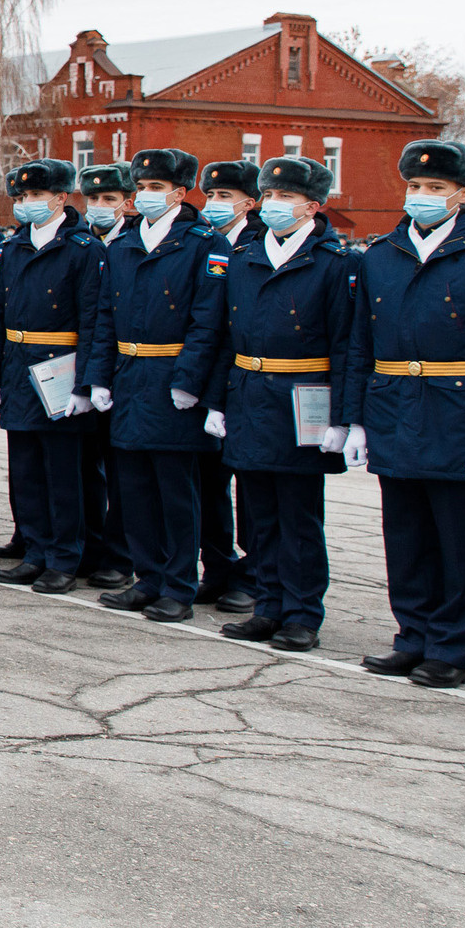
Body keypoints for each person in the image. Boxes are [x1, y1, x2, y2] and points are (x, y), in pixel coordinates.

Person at [349, 140, 465, 688]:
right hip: (394, 407)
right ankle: (414, 635)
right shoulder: (381, 253)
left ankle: (452, 646)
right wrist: (354, 419)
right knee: (405, 534)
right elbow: (361, 343)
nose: (421, 197)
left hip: (460, 411)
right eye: (414, 187)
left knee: (461, 538)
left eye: (435, 188)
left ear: (463, 194)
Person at [203, 155, 360, 653]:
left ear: (312, 206)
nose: (274, 205)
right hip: (250, 394)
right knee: (259, 513)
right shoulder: (247, 255)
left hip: (303, 400)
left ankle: (302, 612)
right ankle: (267, 604)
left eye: (285, 197)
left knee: (298, 516)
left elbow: (347, 346)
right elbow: (225, 336)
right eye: (268, 195)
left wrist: (342, 417)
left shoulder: (335, 263)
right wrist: (216, 401)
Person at [84, 148, 226, 622]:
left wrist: (189, 381)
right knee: (135, 486)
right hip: (129, 377)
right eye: (140, 188)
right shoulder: (122, 246)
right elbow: (105, 317)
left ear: (180, 193)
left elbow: (209, 323)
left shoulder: (204, 245)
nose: (144, 196)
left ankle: (179, 585)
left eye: (155, 188)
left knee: (175, 491)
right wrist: (98, 377)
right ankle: (147, 578)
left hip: (171, 381)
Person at [0, 159, 104, 593]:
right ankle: (34, 550)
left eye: (36, 196)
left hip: (59, 367)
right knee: (26, 469)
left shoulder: (83, 249)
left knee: (62, 473)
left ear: (61, 198)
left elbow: (93, 320)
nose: (27, 204)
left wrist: (86, 384)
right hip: (17, 364)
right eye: (22, 197)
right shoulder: (14, 246)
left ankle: (64, 557)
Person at [191, 160, 262, 611]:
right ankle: (216, 566)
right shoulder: (204, 244)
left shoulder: (258, 245)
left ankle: (252, 576)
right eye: (211, 196)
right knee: (208, 483)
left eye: (224, 197)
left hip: (248, 375)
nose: (214, 205)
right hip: (208, 375)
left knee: (251, 489)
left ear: (249, 203)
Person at [72, 162, 138, 587]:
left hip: (124, 371)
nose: (98, 207)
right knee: (84, 466)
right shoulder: (82, 243)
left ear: (127, 204)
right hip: (81, 368)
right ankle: (89, 547)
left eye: (108, 200)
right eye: (92, 199)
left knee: (122, 472)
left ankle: (120, 555)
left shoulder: (133, 244)